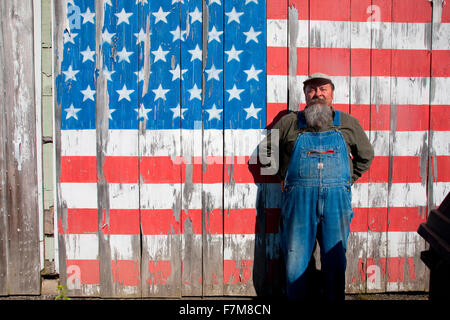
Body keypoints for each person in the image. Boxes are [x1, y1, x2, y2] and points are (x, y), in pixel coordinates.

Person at [260, 73, 374, 301]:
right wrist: (285, 175)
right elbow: (265, 153)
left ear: (332, 94)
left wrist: (347, 181)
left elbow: (366, 155)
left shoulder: (348, 123)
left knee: (335, 258)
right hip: (298, 202)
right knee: (296, 258)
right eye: (312, 90)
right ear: (305, 95)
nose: (317, 94)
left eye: (323, 89)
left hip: (336, 203)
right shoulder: (289, 122)